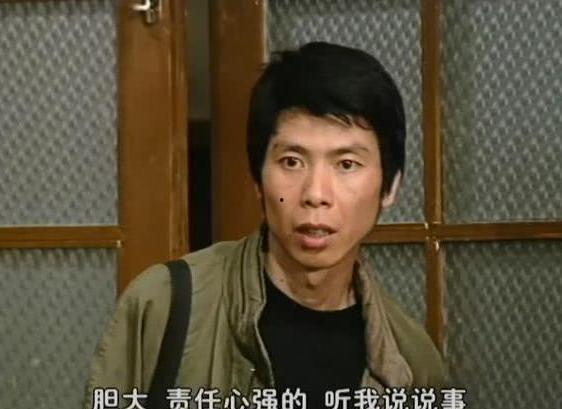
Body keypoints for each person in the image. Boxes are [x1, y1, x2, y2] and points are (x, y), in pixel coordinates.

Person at [84, 42, 447, 409]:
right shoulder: (163, 305)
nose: (316, 194)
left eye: (346, 164)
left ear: (391, 186)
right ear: (258, 179)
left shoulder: (413, 363)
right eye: (291, 161)